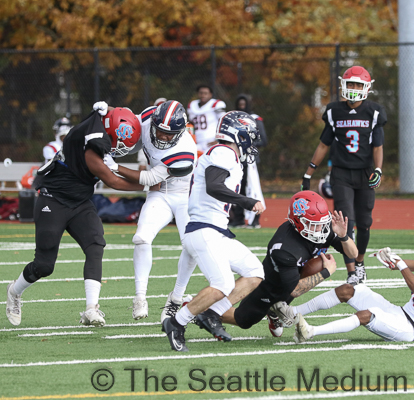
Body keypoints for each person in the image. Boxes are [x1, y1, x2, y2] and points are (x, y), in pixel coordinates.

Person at [5, 107, 145, 327]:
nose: (121, 147)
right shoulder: (92, 148)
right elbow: (113, 181)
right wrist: (149, 185)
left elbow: (108, 114)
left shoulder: (100, 125)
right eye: (120, 141)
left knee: (95, 245)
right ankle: (14, 291)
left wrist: (107, 109)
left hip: (79, 202)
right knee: (44, 266)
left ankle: (91, 309)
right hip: (53, 199)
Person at [162, 111, 265, 352]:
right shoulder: (223, 152)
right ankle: (177, 322)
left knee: (255, 272)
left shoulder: (227, 154)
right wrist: (247, 201)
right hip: (204, 229)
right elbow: (214, 186)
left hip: (215, 231)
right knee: (222, 283)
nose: (251, 142)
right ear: (238, 134)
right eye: (249, 136)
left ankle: (211, 313)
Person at [273, 226, 414, 344]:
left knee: (367, 315)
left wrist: (401, 265)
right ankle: (291, 314)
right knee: (349, 290)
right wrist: (393, 260)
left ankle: (310, 332)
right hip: (403, 312)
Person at [98, 100, 198, 321]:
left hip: (186, 194)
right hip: (161, 193)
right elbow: (125, 120)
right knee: (141, 238)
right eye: (159, 130)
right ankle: (140, 297)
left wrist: (115, 167)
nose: (162, 136)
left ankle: (176, 297)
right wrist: (108, 112)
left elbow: (151, 179)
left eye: (168, 134)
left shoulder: (185, 152)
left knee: (192, 246)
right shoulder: (148, 116)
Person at [217, 191, 358, 338]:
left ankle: (274, 311)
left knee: (316, 266)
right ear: (298, 222)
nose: (319, 229)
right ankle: (204, 310)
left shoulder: (324, 227)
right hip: (271, 284)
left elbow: (353, 254)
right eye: (313, 225)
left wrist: (343, 236)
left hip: (295, 276)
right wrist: (326, 272)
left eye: (321, 223)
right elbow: (295, 290)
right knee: (244, 320)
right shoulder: (284, 247)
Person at [301, 66, 387, 286]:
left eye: (358, 84)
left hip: (366, 173)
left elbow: (378, 146)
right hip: (341, 173)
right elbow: (324, 144)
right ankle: (351, 271)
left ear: (367, 87)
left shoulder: (374, 112)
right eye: (351, 84)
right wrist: (309, 172)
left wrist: (378, 169)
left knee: (365, 223)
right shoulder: (334, 111)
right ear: (343, 85)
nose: (354, 88)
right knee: (345, 221)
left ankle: (359, 261)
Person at [229, 94, 268, 229]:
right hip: (236, 159)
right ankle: (238, 218)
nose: (242, 107)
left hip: (250, 161)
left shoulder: (255, 119)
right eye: (239, 105)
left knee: (252, 188)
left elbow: (263, 140)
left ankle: (255, 218)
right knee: (237, 188)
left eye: (244, 105)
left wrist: (246, 142)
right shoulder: (233, 119)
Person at [187, 85, 226, 153]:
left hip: (211, 141)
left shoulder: (216, 104)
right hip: (197, 142)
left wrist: (218, 140)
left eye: (205, 93)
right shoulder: (192, 105)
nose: (203, 95)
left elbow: (225, 122)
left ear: (210, 94)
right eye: (201, 93)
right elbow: (190, 124)